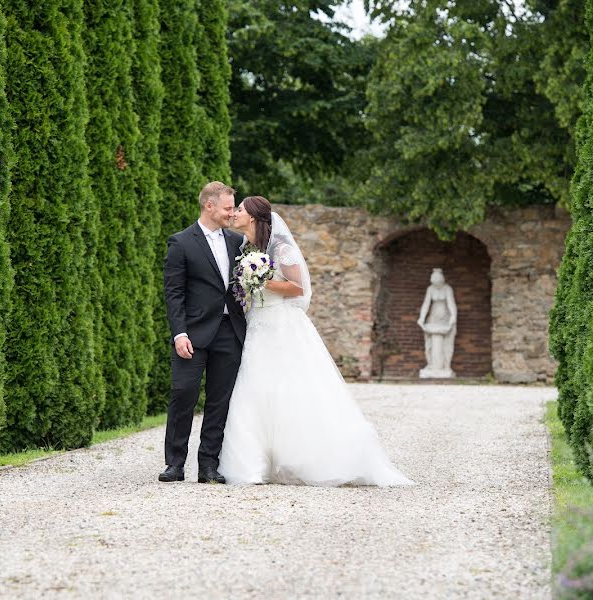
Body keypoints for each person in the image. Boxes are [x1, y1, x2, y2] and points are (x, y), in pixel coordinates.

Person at [218, 196, 411, 486]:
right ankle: (253, 465)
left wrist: (261, 280)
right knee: (254, 389)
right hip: (256, 326)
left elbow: (298, 288)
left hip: (281, 325)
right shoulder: (245, 249)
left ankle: (301, 460)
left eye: (240, 210)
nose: (235, 213)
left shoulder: (281, 248)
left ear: (254, 217)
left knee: (291, 390)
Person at [159, 182, 246, 484]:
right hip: (192, 334)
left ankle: (209, 464)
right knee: (183, 394)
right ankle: (175, 463)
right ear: (209, 206)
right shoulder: (181, 242)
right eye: (227, 208)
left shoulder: (237, 243)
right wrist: (179, 333)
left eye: (233, 208)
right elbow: (174, 293)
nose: (232, 214)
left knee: (219, 401)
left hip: (229, 331)